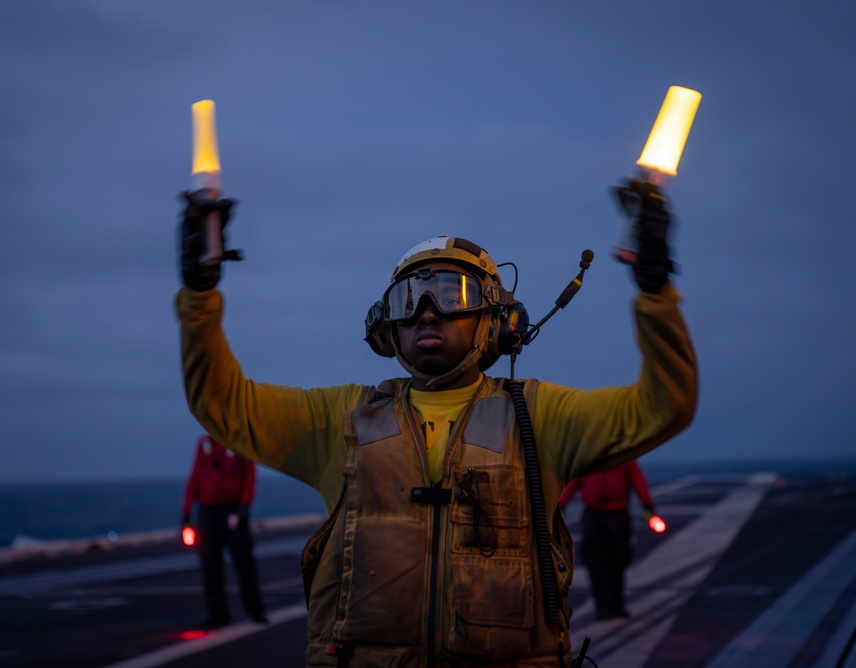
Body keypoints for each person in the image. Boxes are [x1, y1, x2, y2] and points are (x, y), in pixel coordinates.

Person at [174, 179, 697, 666]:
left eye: (452, 295)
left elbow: (663, 405)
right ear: (385, 328)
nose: (426, 312)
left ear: (496, 320)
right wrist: (200, 295)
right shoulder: (340, 421)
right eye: (409, 299)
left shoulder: (540, 418)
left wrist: (655, 291)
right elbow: (222, 402)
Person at [181, 433, 268, 627]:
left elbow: (249, 476)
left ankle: (255, 610)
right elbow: (195, 476)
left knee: (244, 561)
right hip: (208, 513)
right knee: (210, 564)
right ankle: (217, 613)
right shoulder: (204, 444)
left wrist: (243, 509)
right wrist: (186, 513)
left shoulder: (238, 442)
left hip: (233, 511)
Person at [559, 460, 656, 620]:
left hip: (615, 515)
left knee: (618, 561)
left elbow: (638, 480)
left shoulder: (621, 458)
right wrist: (561, 505)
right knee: (597, 561)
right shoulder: (592, 458)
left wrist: (648, 507)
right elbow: (574, 482)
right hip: (597, 516)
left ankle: (614, 605)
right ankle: (605, 606)